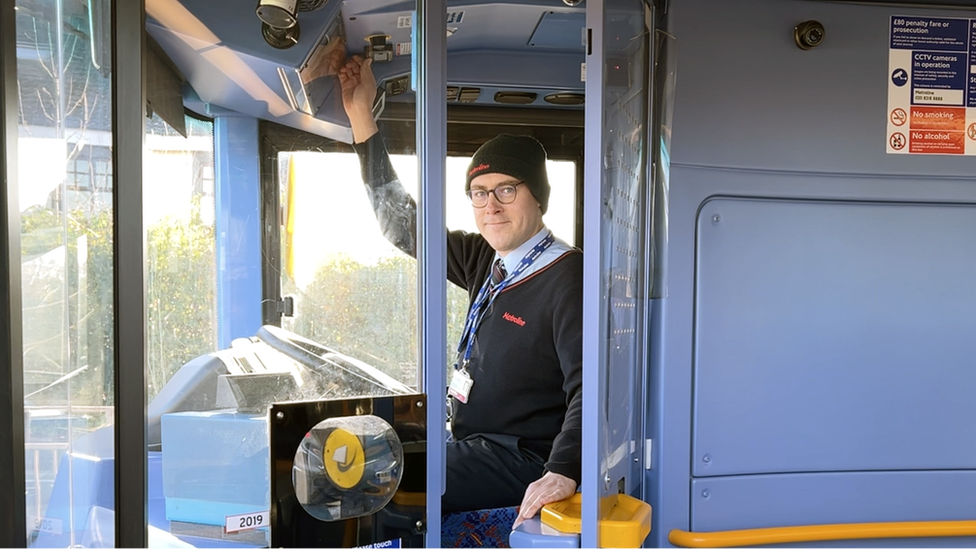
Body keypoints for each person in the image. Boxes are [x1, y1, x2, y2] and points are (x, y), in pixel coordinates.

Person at [337, 55, 581, 528]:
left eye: (506, 190)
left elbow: (589, 389)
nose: (490, 205)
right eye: (479, 192)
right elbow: (401, 225)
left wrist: (564, 470)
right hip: (471, 444)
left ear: (537, 197)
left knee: (382, 482)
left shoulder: (568, 277)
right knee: (360, 449)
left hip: (523, 457)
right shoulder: (485, 261)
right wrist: (361, 115)